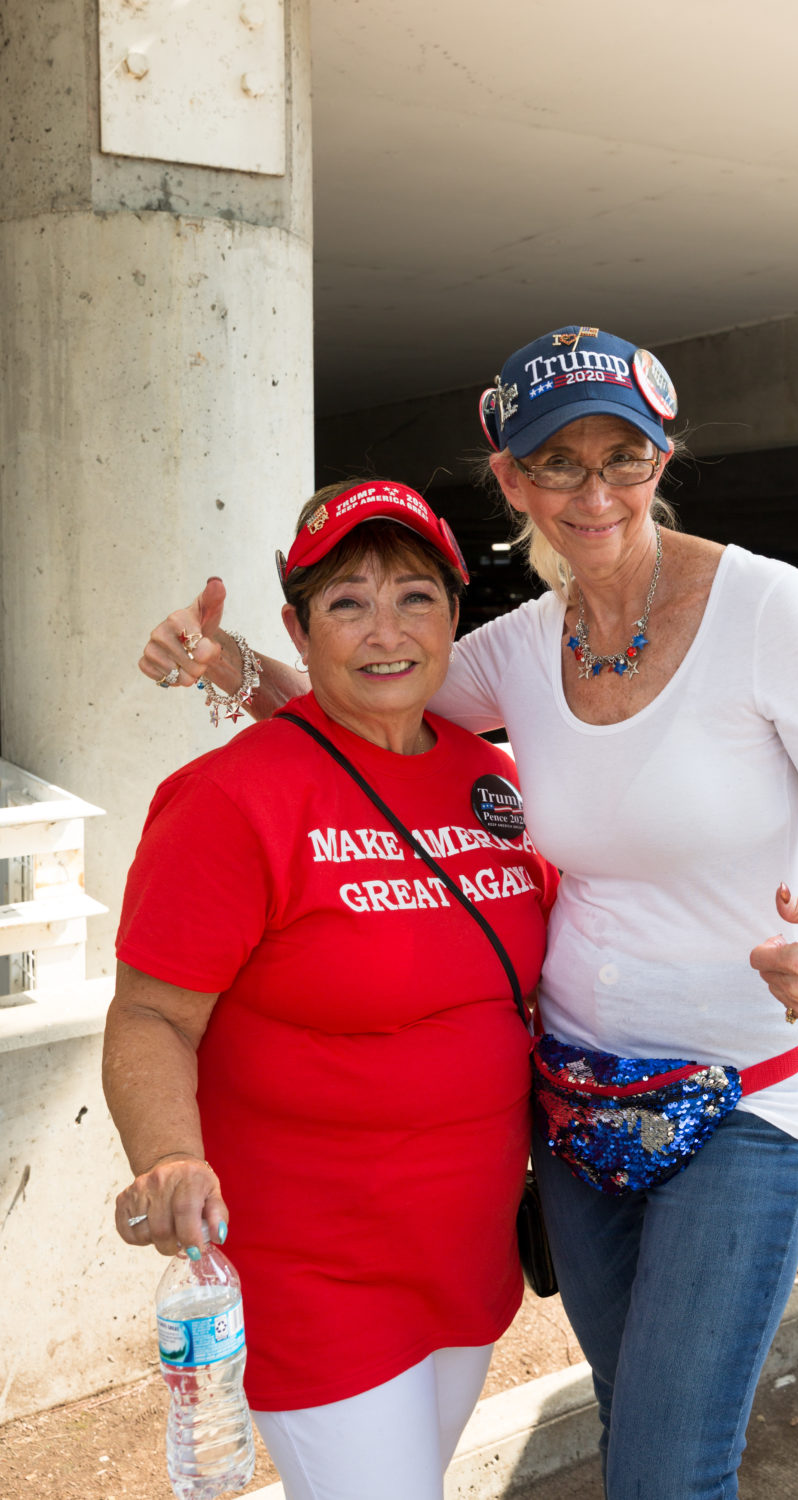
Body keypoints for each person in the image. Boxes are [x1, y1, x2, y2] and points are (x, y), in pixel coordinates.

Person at [139, 327, 798, 1499]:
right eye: (559, 462)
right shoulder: (509, 649)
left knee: (670, 1466)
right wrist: (227, 662)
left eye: (626, 457)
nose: (594, 490)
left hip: (742, 1093)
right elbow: (364, 689)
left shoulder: (766, 604)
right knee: (631, 1420)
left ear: (665, 461)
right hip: (571, 1108)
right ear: (511, 480)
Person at [105, 480, 557, 1500]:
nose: (384, 630)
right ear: (299, 630)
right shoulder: (230, 799)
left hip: (466, 1254)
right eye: (347, 602)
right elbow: (150, 1014)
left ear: (455, 613)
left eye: (415, 597)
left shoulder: (494, 780)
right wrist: (167, 1157)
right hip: (316, 1270)